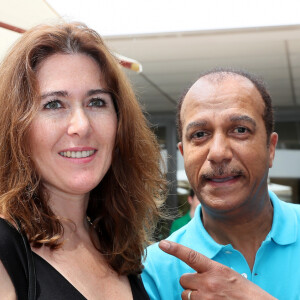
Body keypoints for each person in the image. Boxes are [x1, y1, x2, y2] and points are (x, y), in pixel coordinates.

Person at [0, 22, 166, 299]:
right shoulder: (6, 250)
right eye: (54, 104)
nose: (82, 125)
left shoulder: (118, 249)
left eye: (97, 102)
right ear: (16, 129)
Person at [142, 69, 300, 299]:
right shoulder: (155, 271)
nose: (217, 153)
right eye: (199, 134)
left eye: (239, 130)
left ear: (271, 148)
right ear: (184, 154)